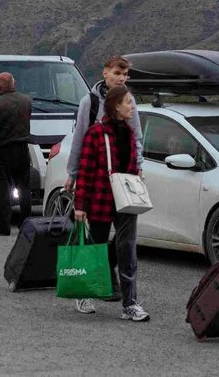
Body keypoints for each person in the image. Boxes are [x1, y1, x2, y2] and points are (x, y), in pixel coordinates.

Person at [71, 85, 149, 322]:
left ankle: (130, 304)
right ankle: (85, 293)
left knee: (127, 249)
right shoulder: (96, 133)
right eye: (128, 102)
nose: (132, 106)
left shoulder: (130, 133)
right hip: (100, 199)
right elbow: (85, 171)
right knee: (95, 247)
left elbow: (133, 164)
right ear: (117, 106)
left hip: (127, 200)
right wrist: (80, 205)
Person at [64, 56, 143, 193]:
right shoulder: (89, 102)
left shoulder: (129, 101)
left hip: (123, 170)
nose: (121, 78)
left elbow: (136, 137)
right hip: (96, 172)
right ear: (105, 73)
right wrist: (72, 173)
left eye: (125, 75)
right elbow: (79, 139)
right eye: (117, 73)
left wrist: (139, 166)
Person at [0, 72, 32, 236]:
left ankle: (4, 227)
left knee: (3, 190)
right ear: (14, 83)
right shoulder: (27, 100)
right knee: (25, 188)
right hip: (23, 148)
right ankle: (25, 224)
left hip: (3, 150)